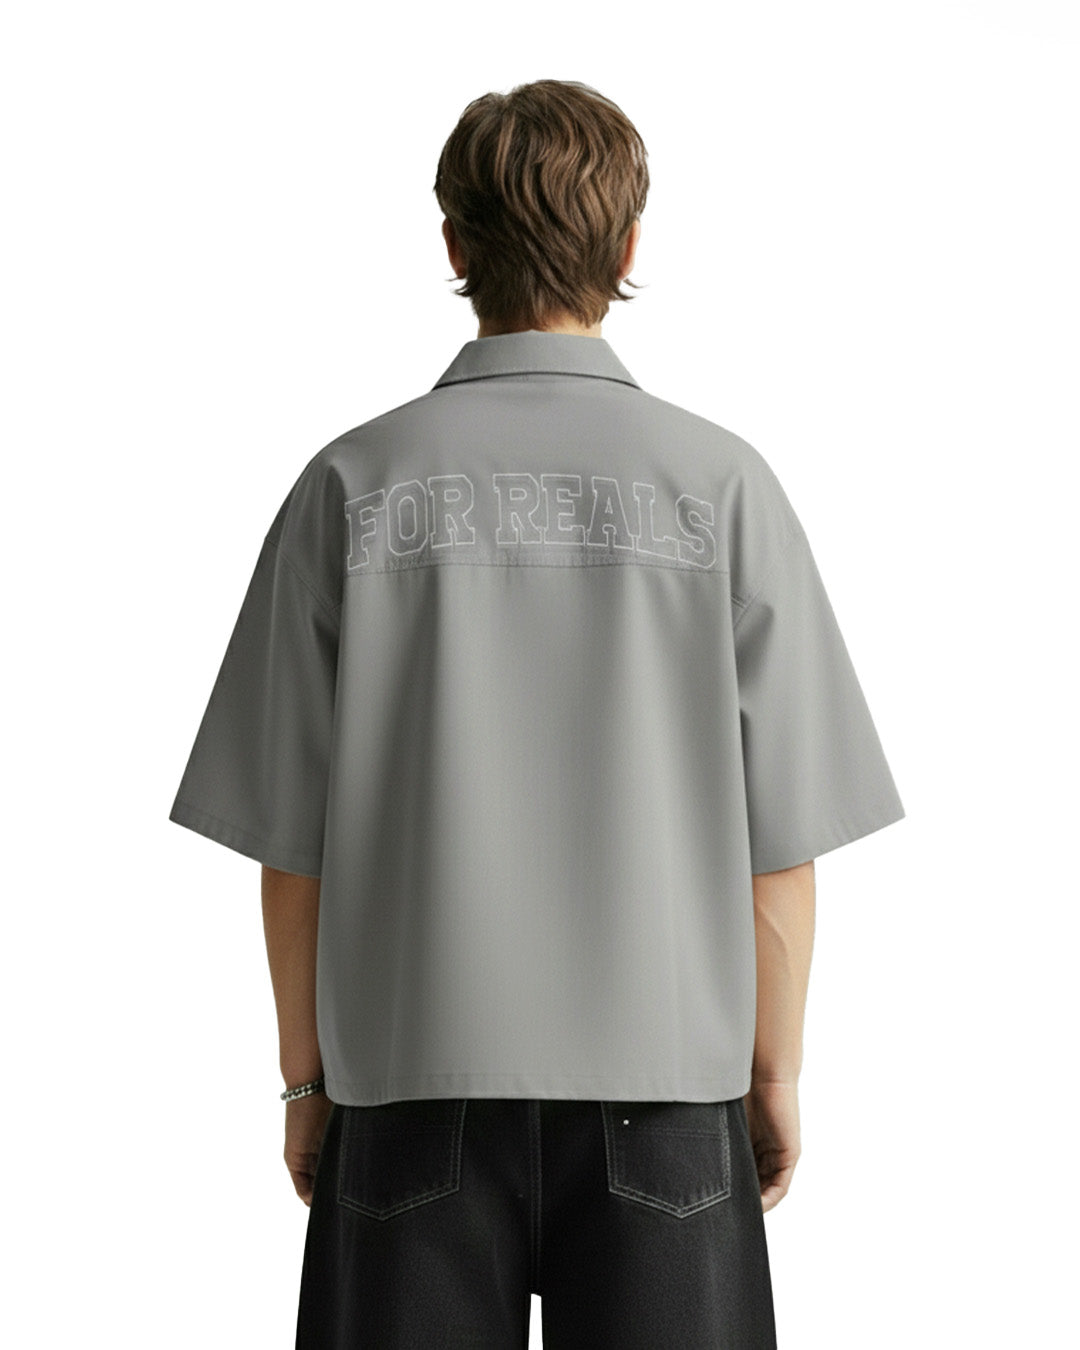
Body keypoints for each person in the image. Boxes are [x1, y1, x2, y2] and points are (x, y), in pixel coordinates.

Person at [169, 78, 905, 1348]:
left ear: (454, 245)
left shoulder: (349, 485)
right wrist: (774, 1071)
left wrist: (304, 1083)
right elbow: (780, 851)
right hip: (668, 1088)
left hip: (408, 1084)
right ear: (629, 247)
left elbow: (292, 851)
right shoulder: (724, 487)